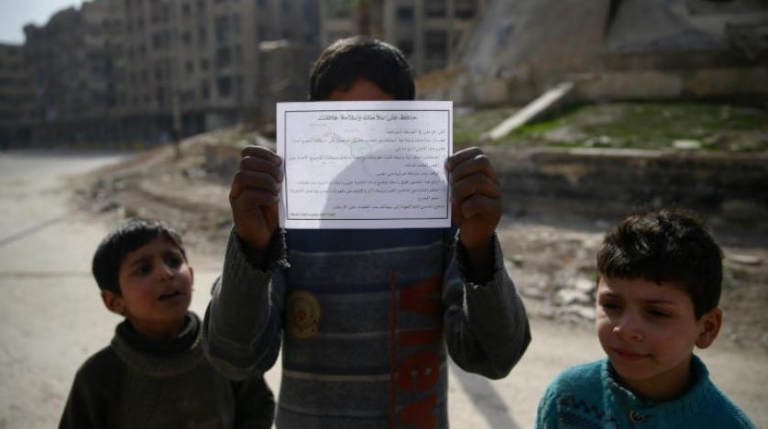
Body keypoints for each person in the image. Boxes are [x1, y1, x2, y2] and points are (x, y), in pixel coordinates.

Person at [202, 35, 531, 428]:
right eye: (342, 123)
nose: (360, 145)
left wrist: (478, 249)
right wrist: (252, 248)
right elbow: (234, 358)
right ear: (312, 127)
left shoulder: (440, 215)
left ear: (408, 127)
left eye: (379, 124)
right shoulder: (285, 217)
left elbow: (495, 356)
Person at [535, 209, 758, 428]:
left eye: (657, 313)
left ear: (707, 328)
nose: (625, 329)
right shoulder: (567, 400)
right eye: (612, 305)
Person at [59, 217, 275, 429]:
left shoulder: (223, 349)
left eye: (173, 261)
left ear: (191, 275)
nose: (165, 273)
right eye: (143, 269)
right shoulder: (98, 377)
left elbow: (258, 405)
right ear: (114, 301)